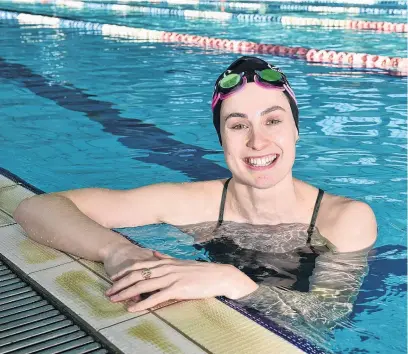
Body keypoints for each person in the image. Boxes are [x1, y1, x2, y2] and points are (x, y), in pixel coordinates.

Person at [13, 57, 377, 324]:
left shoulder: (343, 218)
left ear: (296, 130)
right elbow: (37, 208)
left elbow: (327, 314)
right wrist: (115, 250)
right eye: (238, 125)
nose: (257, 141)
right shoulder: (195, 202)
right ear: (222, 140)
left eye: (273, 120)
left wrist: (233, 282)